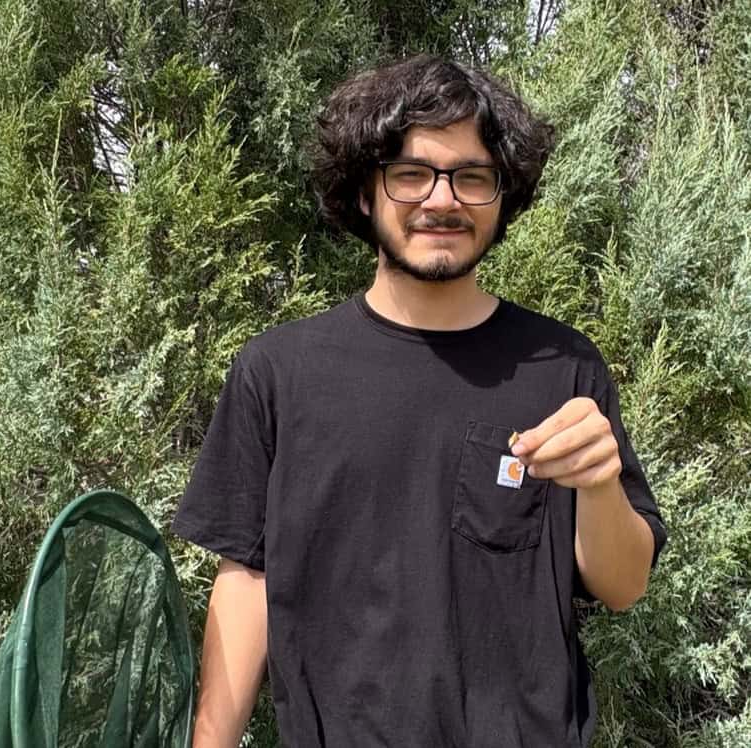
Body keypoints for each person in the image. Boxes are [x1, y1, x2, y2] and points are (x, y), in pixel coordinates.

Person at [171, 54, 668, 748]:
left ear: (503, 198)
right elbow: (246, 583)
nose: (443, 200)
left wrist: (601, 483)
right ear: (366, 193)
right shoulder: (277, 372)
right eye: (410, 174)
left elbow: (623, 586)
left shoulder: (563, 369)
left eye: (472, 176)